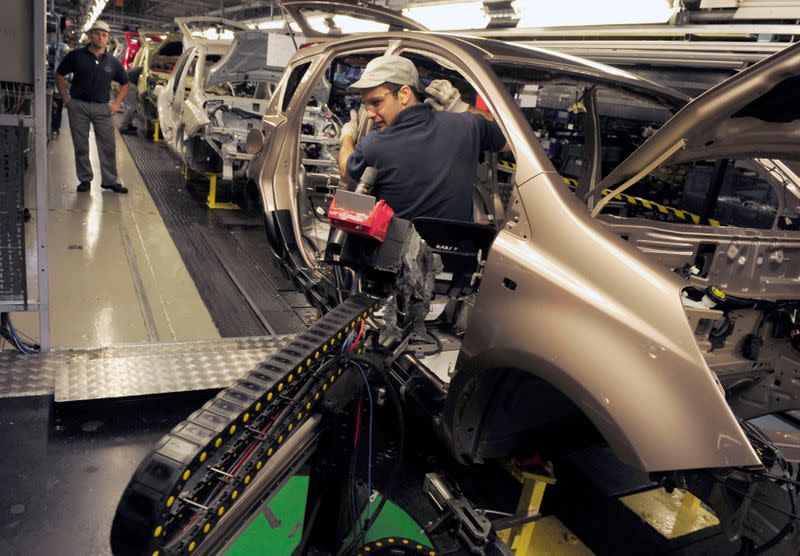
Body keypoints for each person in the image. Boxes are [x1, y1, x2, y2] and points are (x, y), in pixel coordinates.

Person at [337, 55, 507, 222]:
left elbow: (346, 172)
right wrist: (462, 108)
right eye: (366, 105)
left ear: (404, 94)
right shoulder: (468, 126)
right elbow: (512, 140)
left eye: (376, 102)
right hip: (460, 248)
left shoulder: (373, 145)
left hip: (399, 249)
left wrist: (347, 137)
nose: (370, 114)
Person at [55, 20, 130, 194]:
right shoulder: (76, 56)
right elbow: (59, 75)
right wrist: (67, 100)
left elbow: (125, 84)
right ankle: (85, 179)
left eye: (104, 35)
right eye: (97, 33)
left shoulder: (113, 62)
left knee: (108, 145)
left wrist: (117, 103)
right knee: (81, 145)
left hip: (102, 108)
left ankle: (110, 180)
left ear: (108, 39)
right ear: (90, 35)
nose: (101, 37)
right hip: (78, 106)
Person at [118, 65, 143, 135]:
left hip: (124, 82)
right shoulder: (146, 70)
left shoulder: (141, 68)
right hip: (128, 83)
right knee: (131, 107)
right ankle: (124, 127)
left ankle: (128, 125)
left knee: (128, 106)